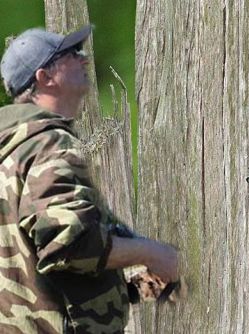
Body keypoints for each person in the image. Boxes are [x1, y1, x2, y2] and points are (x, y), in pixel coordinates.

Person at [0, 25, 179, 333]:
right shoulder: (48, 144)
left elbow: (43, 275)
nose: (84, 58)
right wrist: (152, 252)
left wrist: (149, 285)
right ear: (45, 78)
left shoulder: (13, 152)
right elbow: (67, 246)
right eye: (70, 54)